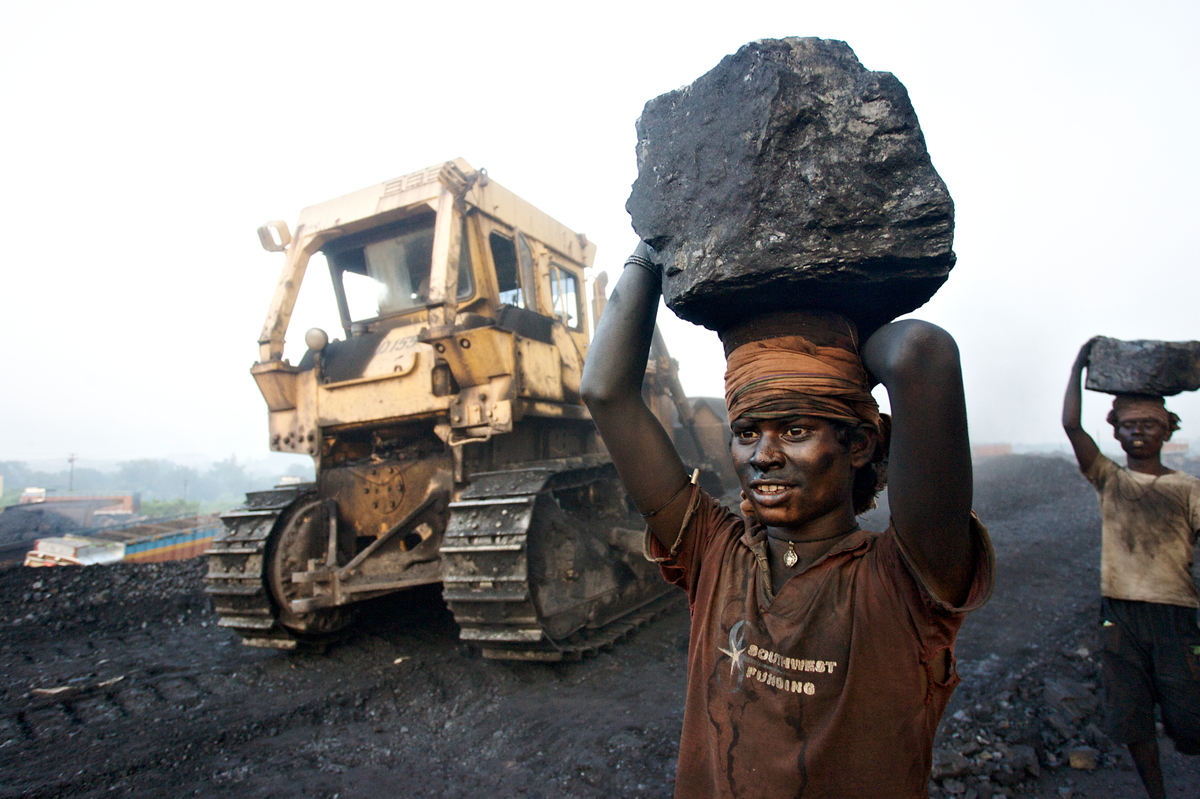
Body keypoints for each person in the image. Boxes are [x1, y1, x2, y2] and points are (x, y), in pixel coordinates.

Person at [580, 243, 994, 798]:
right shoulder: (715, 553)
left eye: (795, 431)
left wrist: (836, 342)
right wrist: (653, 246)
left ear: (859, 445)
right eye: (747, 433)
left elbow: (923, 353)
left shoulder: (900, 585)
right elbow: (604, 393)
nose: (763, 455)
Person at [1062, 338, 1200, 799]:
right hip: (1119, 615)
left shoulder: (1188, 489)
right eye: (1129, 425)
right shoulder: (1110, 479)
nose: (1138, 432)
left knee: (1189, 722)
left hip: (1175, 614)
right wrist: (1079, 365)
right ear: (1116, 433)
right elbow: (1071, 425)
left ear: (1167, 432)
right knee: (1131, 716)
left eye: (1149, 424)